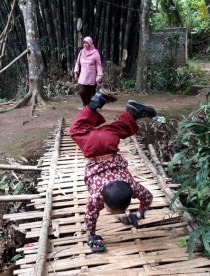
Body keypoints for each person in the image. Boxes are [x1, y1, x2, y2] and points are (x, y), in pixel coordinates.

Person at [69, 87, 156, 252]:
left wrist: (137, 214)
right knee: (76, 132)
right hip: (93, 149)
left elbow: (147, 198)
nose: (114, 213)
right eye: (112, 210)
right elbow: (90, 216)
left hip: (109, 145)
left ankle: (129, 112)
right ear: (103, 198)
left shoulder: (132, 186)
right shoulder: (96, 197)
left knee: (112, 130)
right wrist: (91, 236)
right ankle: (119, 109)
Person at [73, 36, 104, 106]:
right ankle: (85, 104)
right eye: (84, 43)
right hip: (83, 76)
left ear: (90, 44)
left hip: (91, 76)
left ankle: (89, 107)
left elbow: (98, 65)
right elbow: (77, 63)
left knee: (91, 93)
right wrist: (76, 72)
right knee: (81, 91)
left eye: (87, 43)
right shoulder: (81, 52)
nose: (85, 45)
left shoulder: (95, 53)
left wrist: (99, 74)